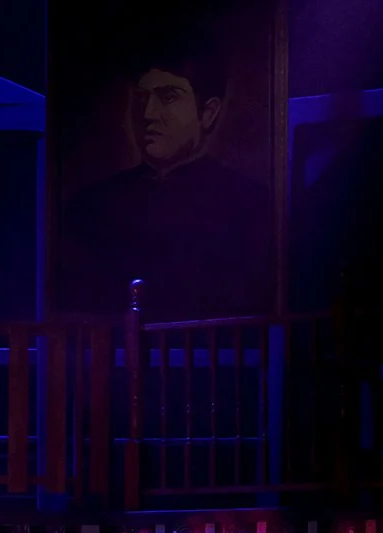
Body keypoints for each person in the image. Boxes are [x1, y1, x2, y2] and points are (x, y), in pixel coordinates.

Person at [61, 28, 273, 319]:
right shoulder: (91, 206)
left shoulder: (251, 205)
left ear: (208, 112)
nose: (148, 113)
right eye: (141, 98)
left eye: (168, 97)